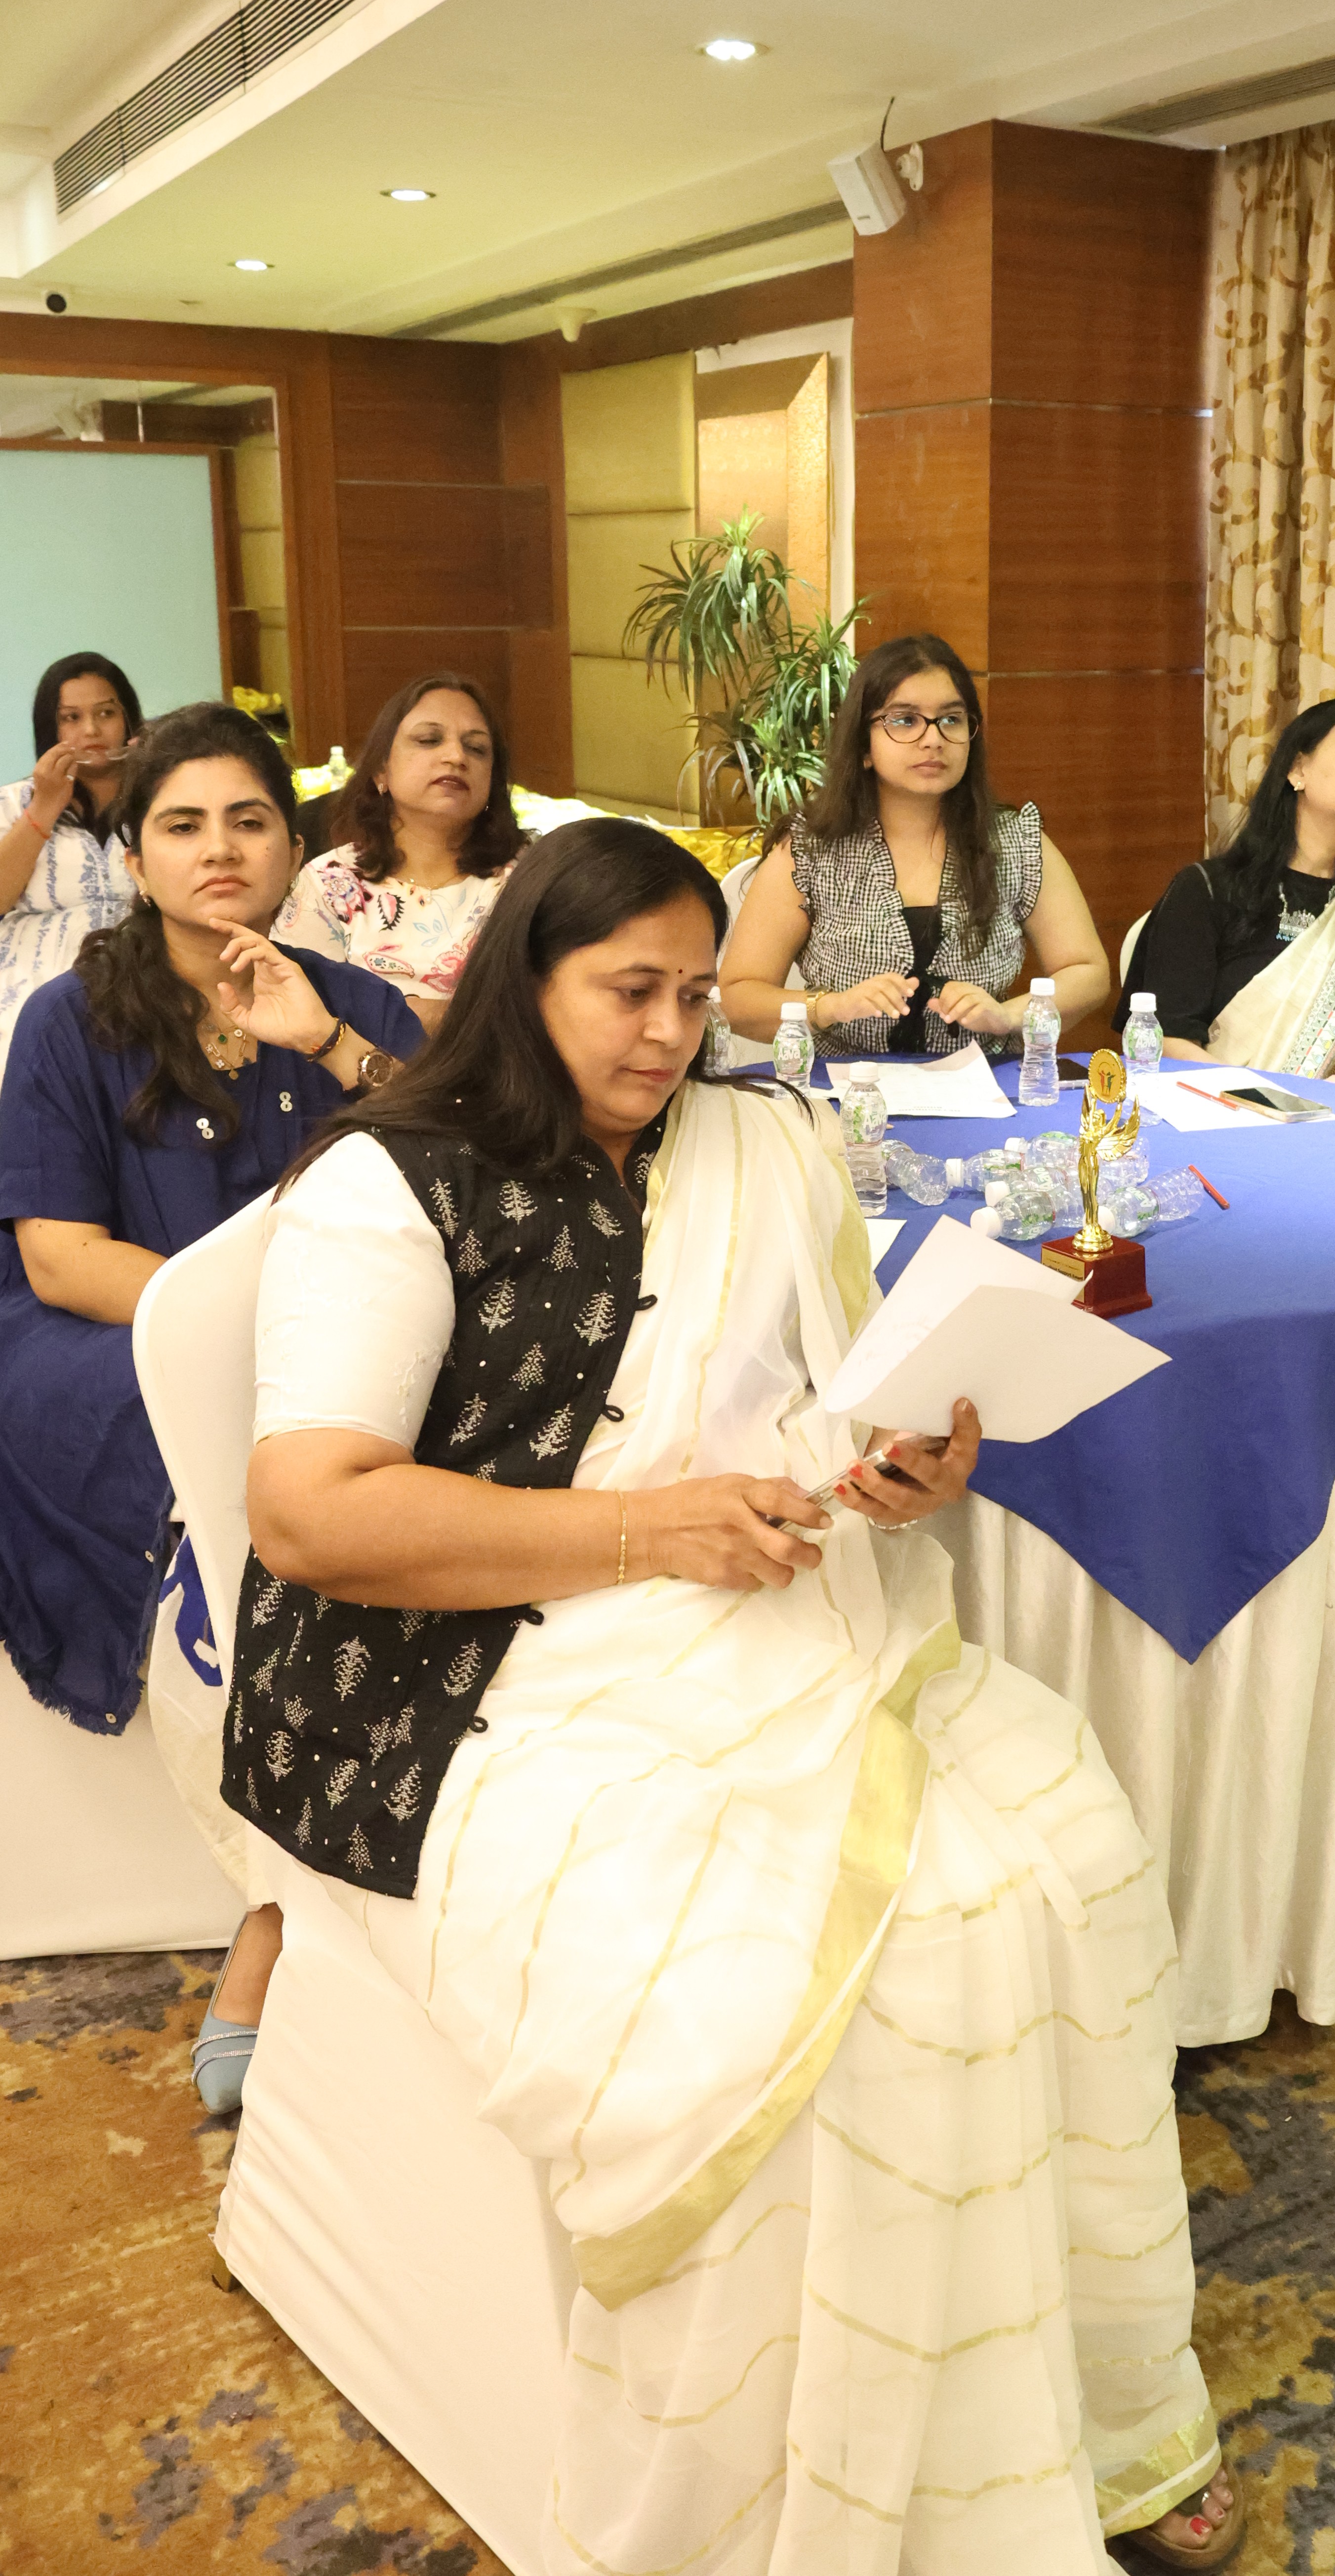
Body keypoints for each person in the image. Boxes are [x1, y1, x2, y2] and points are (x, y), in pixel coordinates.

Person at [224, 817, 1244, 2573]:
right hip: (466, 1682)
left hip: (764, 1610)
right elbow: (310, 1511)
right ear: (519, 979)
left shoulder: (759, 1146)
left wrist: (906, 1458)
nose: (668, 1033)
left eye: (698, 993)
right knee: (829, 1982)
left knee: (1059, 1852)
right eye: (628, 990)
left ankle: (1070, 2411)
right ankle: (794, 2497)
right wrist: (641, 1529)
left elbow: (823, 1399)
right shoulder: (388, 1183)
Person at [0, 700, 425, 1748]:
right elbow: (61, 1259)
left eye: (248, 820)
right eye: (183, 826)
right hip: (121, 1326)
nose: (220, 848)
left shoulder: (354, 1006)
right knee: (168, 1408)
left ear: (293, 844)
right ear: (137, 863)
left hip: (345, 1323)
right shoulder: (69, 1019)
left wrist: (325, 1043)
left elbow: (455, 1172)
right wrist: (251, 1330)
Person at [719, 632, 1110, 1058]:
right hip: (847, 1088)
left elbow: (1087, 973)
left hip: (985, 1084)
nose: (933, 739)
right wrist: (830, 1006)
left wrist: (1009, 1016)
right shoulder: (812, 850)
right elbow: (738, 999)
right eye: (905, 720)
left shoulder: (1015, 842)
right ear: (864, 746)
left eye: (951, 719)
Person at [1124, 695, 1335, 1097]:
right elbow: (1169, 1038)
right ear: (1298, 769)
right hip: (1219, 1113)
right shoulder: (1207, 889)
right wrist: (1266, 1107)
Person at [274, 670, 524, 1030]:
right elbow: (300, 1016)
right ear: (380, 771)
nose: (456, 756)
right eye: (429, 740)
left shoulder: (528, 879)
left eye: (477, 748)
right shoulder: (329, 884)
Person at [0, 652, 146, 1080]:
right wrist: (44, 807)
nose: (92, 730)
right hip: (26, 990)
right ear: (51, 729)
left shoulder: (163, 800)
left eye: (106, 713)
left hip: (142, 982)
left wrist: (154, 776)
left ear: (129, 721)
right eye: (71, 718)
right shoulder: (12, 804)